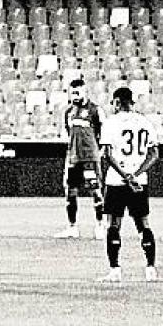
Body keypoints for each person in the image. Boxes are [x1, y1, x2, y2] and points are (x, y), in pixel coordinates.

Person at [99, 86, 158, 283]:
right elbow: (154, 155)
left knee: (113, 224)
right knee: (143, 224)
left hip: (116, 180)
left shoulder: (110, 123)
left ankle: (115, 270)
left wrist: (125, 175)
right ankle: (150, 268)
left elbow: (106, 154)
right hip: (139, 181)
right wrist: (136, 175)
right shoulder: (145, 122)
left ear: (117, 102)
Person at [56, 78, 104, 239]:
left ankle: (99, 226)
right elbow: (69, 133)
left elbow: (101, 133)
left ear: (85, 92)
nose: (75, 96)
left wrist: (99, 151)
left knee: (95, 191)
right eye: (72, 93)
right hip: (73, 158)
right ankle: (72, 227)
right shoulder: (68, 112)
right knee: (70, 192)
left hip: (89, 157)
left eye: (77, 92)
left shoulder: (95, 110)